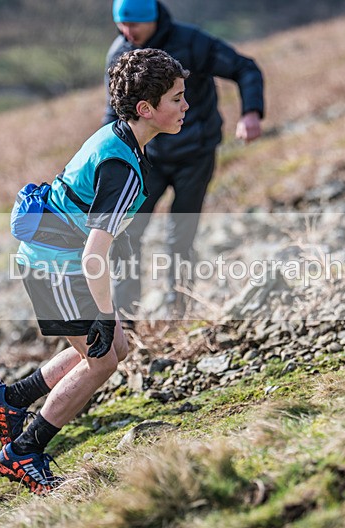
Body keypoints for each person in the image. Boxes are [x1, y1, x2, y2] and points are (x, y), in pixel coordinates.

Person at [0, 48, 189, 495]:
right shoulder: (122, 166)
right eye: (176, 98)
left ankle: (12, 399)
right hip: (56, 267)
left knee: (118, 347)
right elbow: (95, 254)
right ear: (146, 109)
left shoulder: (116, 136)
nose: (186, 105)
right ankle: (24, 451)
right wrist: (104, 314)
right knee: (103, 359)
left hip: (58, 260)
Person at [105, 0, 265, 321]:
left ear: (152, 19)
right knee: (126, 233)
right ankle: (125, 320)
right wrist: (108, 158)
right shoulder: (120, 53)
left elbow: (244, 68)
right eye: (121, 25)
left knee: (180, 235)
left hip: (196, 153)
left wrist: (250, 113)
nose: (126, 32)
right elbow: (115, 112)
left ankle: (178, 311)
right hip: (148, 159)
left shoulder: (191, 42)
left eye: (133, 24)